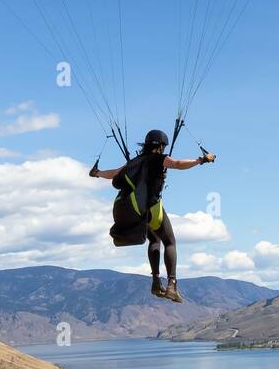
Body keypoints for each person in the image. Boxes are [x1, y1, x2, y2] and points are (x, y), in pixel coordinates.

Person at [90, 128, 214, 303]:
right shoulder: (159, 159)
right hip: (153, 208)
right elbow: (178, 164)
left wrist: (97, 173)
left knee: (154, 240)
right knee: (170, 241)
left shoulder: (134, 162)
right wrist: (201, 160)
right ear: (161, 146)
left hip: (138, 210)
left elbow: (113, 175)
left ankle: (156, 282)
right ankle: (171, 285)